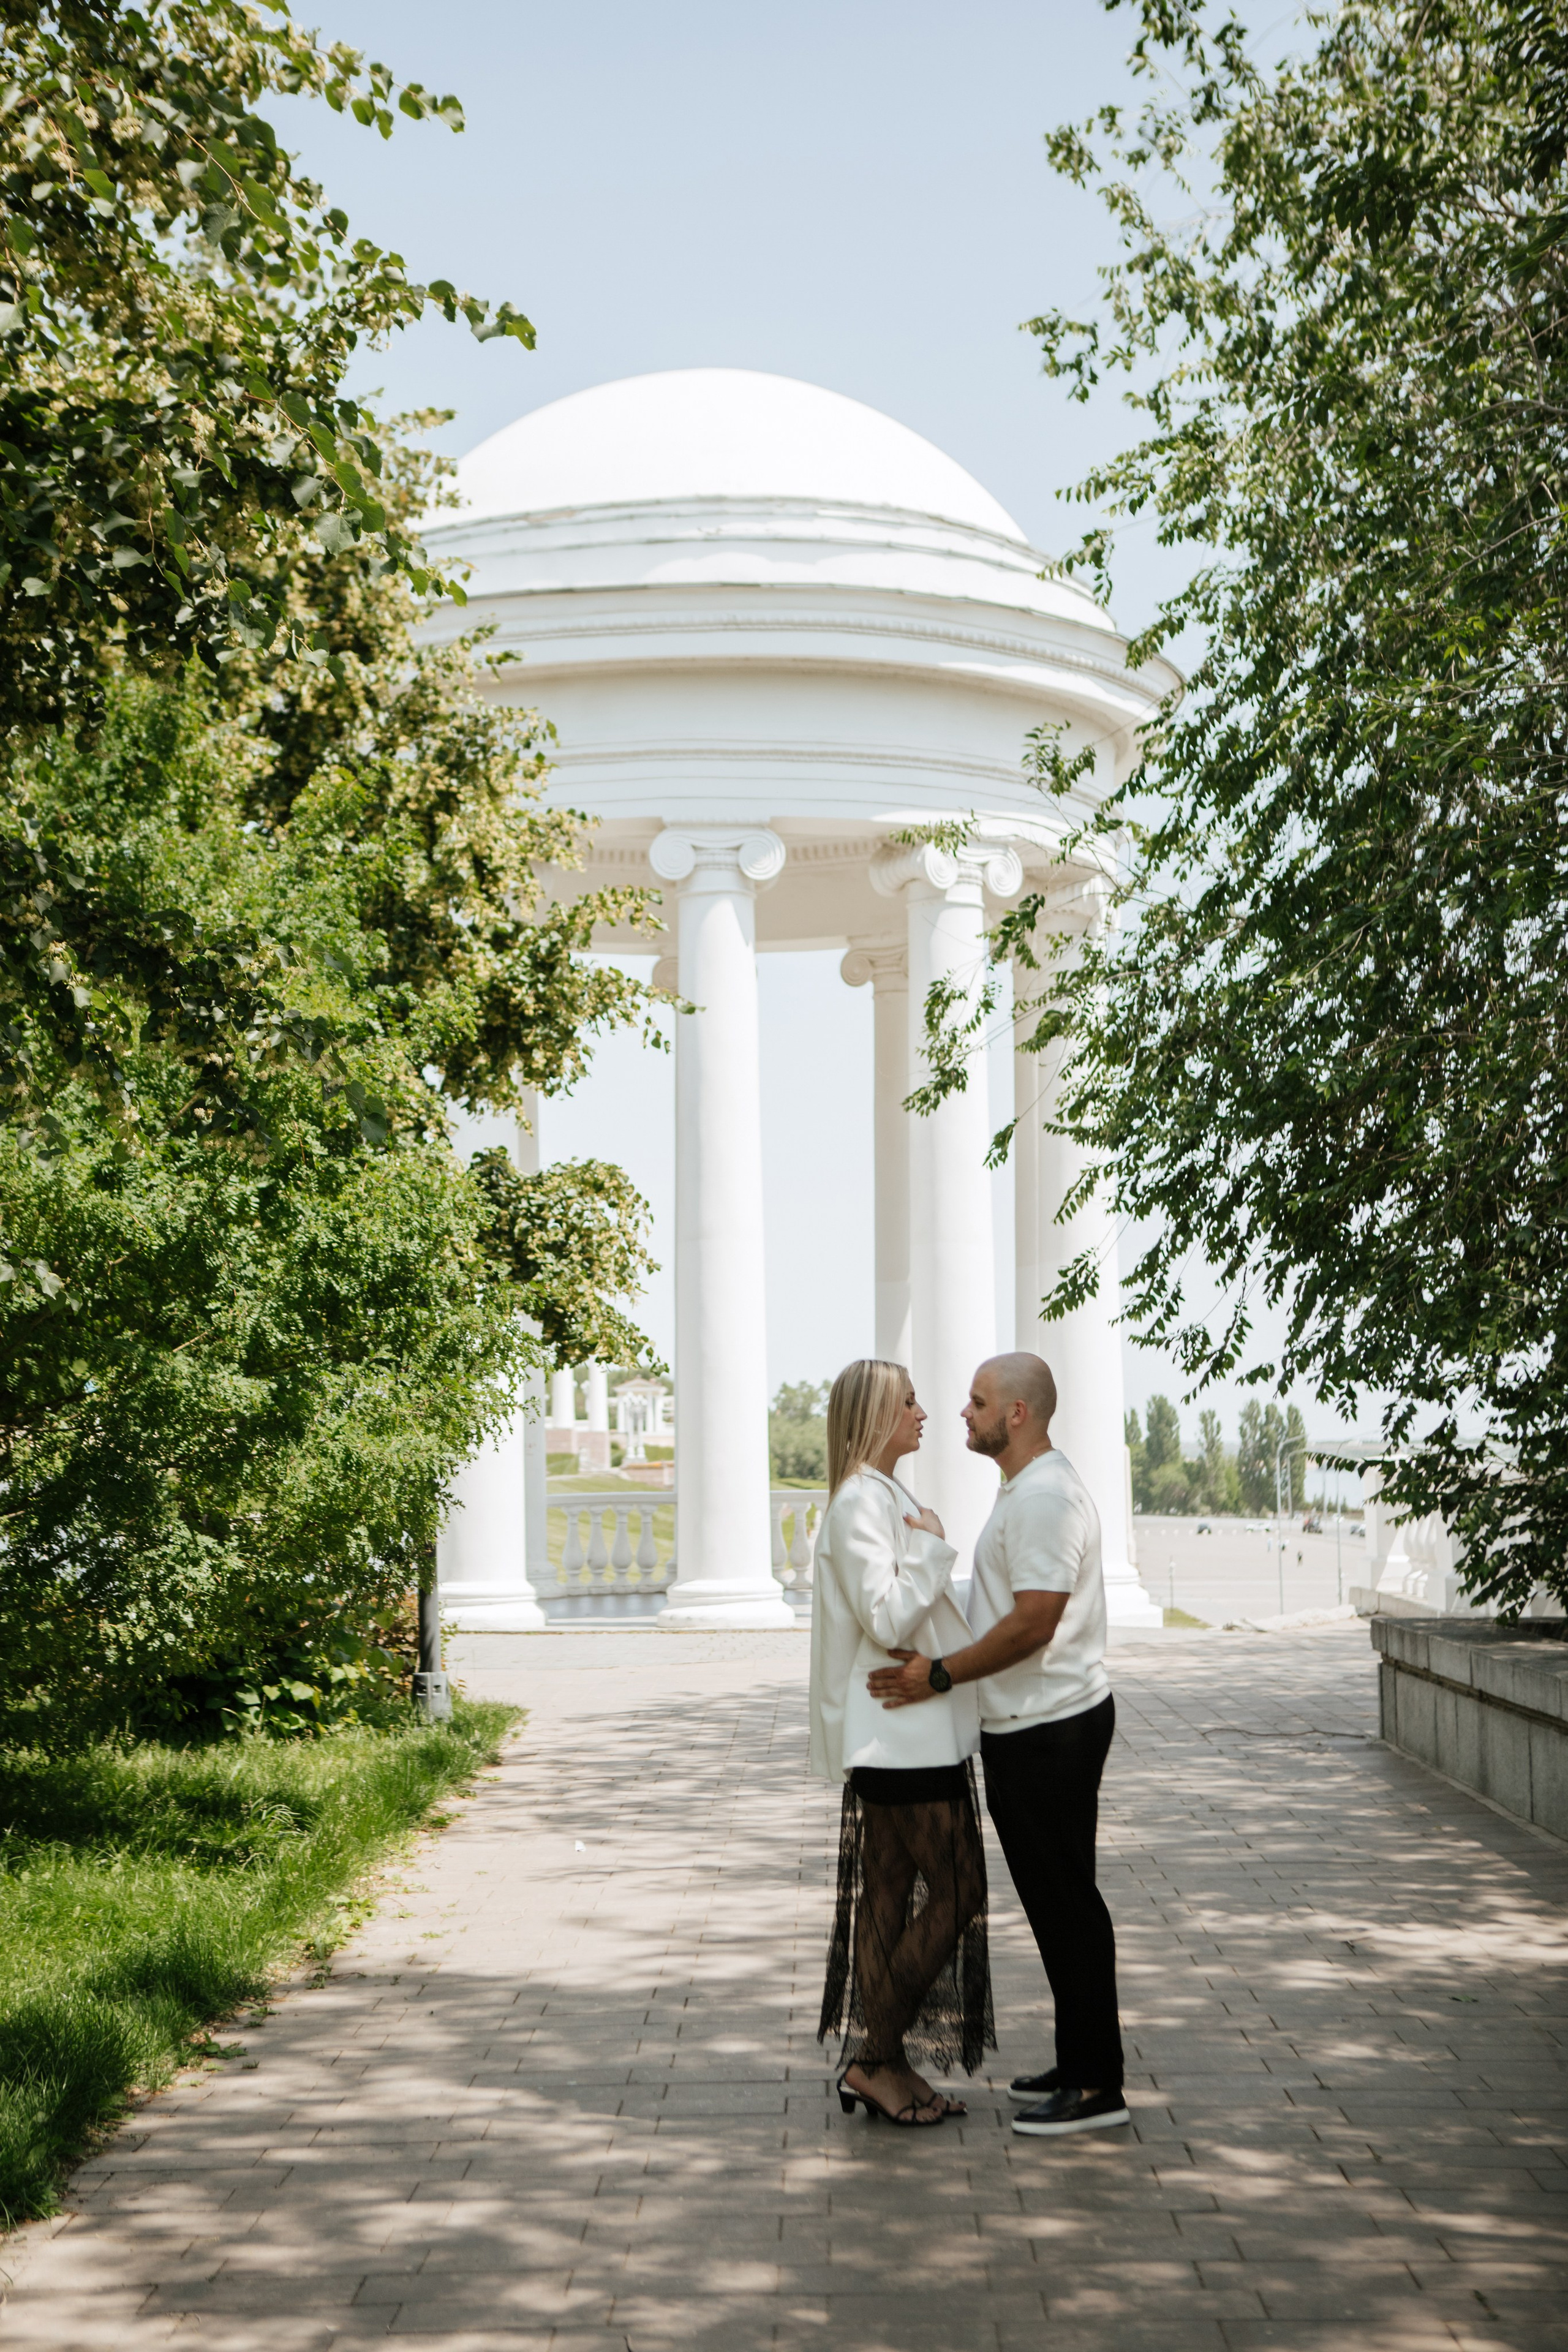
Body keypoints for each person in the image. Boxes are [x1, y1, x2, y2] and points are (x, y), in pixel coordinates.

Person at [867, 1352, 1129, 2138]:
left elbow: (1034, 1620)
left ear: (1017, 1413)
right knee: (1058, 1903)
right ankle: (1080, 2060)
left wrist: (940, 1675)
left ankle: (1094, 2088)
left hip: (1051, 1729)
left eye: (977, 1403)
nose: (963, 1413)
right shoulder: (1025, 1490)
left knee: (1067, 1905)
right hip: (1033, 1725)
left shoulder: (1044, 1497)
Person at [809, 1358, 995, 2127]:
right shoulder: (860, 1502)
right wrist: (934, 1546)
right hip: (902, 1739)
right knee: (957, 1894)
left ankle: (888, 2065)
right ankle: (873, 2060)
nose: (925, 1412)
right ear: (875, 1415)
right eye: (909, 1402)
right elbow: (887, 1618)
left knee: (888, 1900)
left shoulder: (883, 1495)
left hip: (904, 1737)